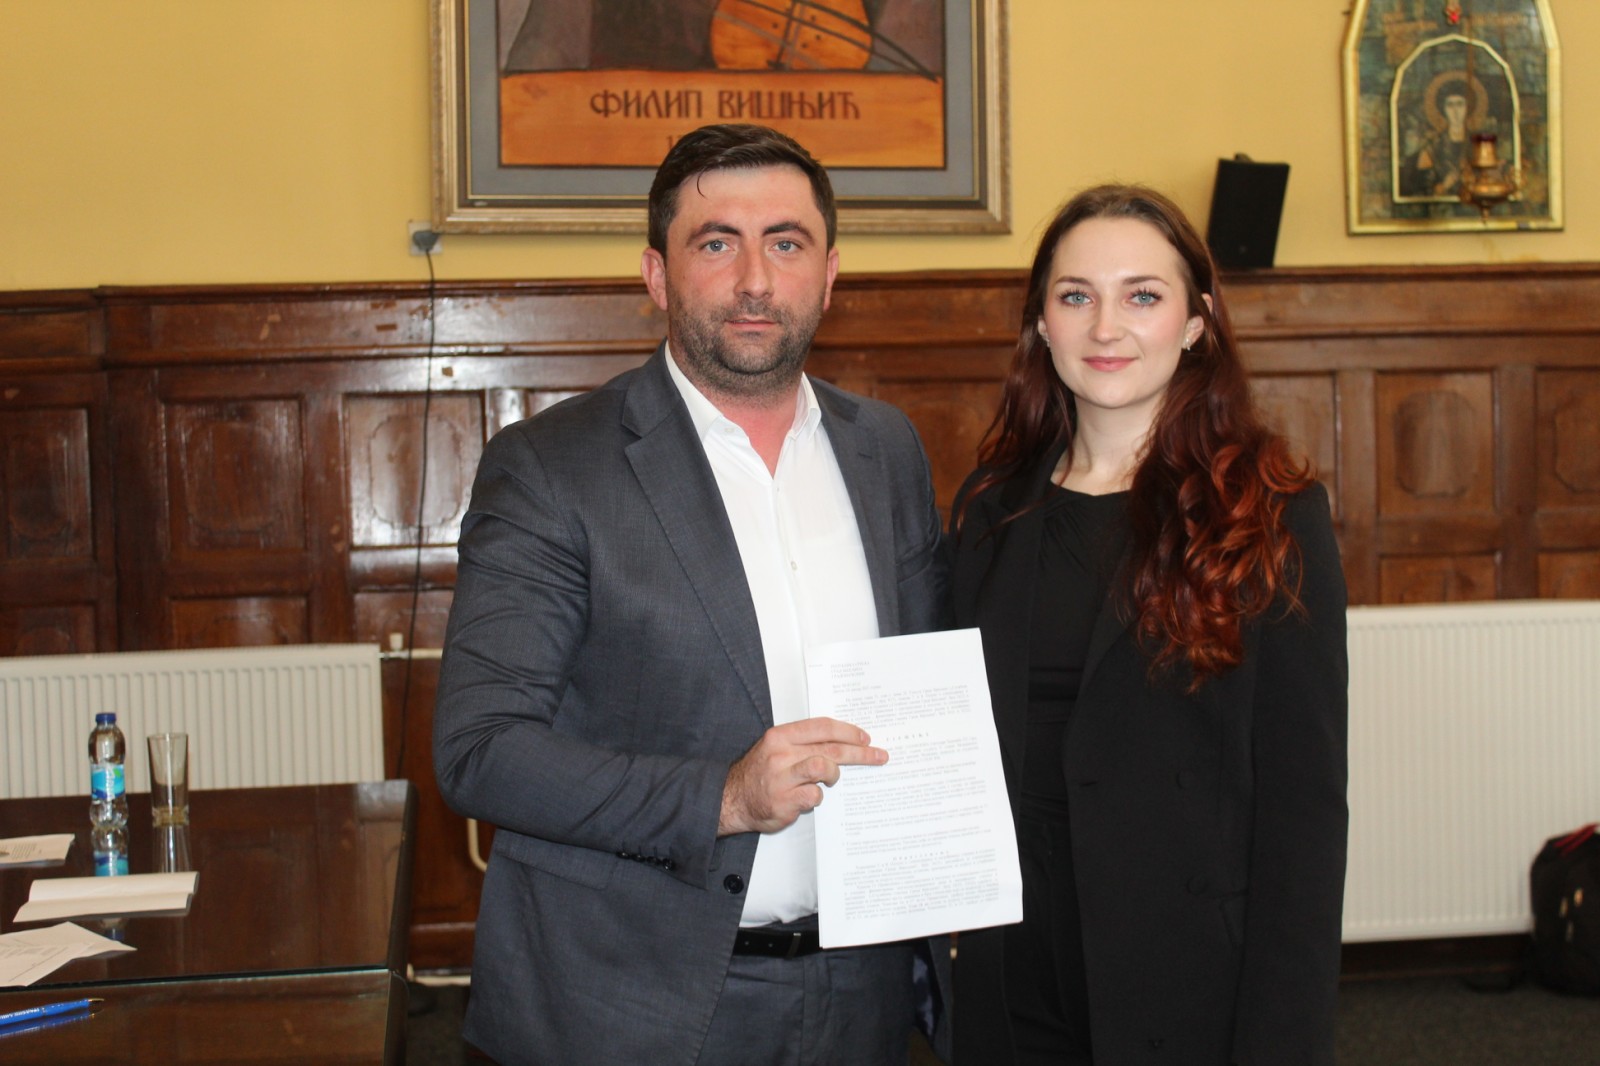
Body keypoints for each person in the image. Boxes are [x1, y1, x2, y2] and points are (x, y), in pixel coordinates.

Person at [433, 123, 950, 1066]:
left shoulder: (887, 450)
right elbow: (481, 751)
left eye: (785, 243)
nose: (755, 280)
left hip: (863, 996)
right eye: (717, 243)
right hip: (630, 1006)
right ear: (658, 276)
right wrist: (722, 798)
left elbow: (921, 688)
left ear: (829, 274)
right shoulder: (552, 468)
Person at [948, 185, 1348, 1065]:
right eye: (1076, 295)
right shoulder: (990, 511)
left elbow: (1304, 816)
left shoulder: (1273, 516)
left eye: (1142, 295)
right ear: (1041, 322)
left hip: (1188, 979)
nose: (1106, 327)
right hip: (1012, 973)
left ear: (1196, 321)